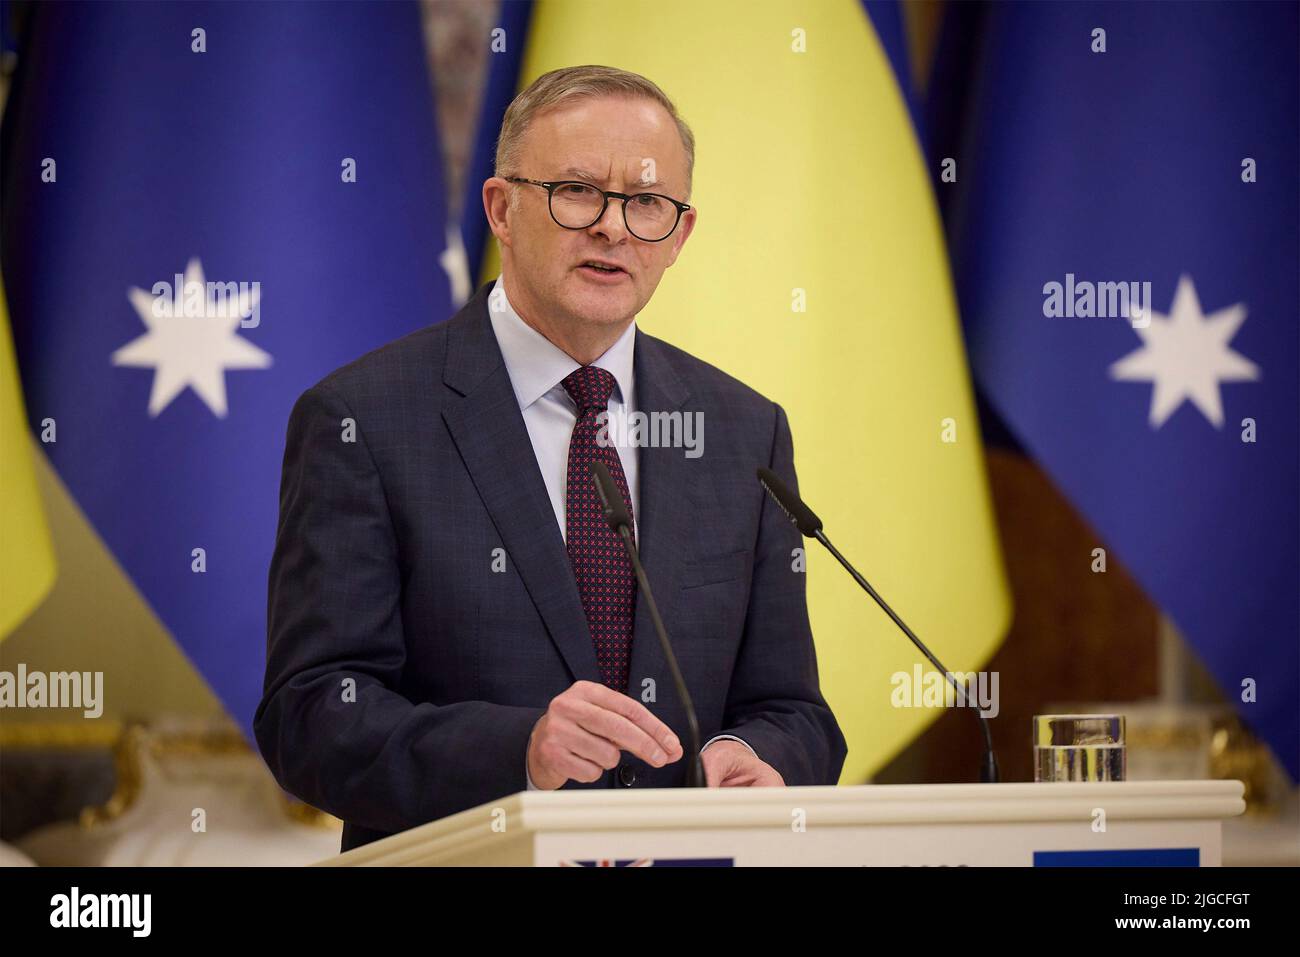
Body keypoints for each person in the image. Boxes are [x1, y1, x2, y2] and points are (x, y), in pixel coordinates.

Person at [256, 65, 846, 853]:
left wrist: (748, 756)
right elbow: (311, 715)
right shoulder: (365, 420)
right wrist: (520, 753)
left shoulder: (743, 431)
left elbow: (796, 713)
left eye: (645, 204)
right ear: (500, 208)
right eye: (577, 191)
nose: (612, 228)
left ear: (680, 234)